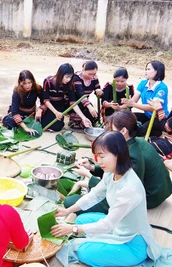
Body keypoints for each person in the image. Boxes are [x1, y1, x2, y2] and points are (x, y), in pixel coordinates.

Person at [51, 131, 172, 267]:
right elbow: (95, 194)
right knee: (80, 220)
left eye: (102, 156)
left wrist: (73, 230)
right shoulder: (111, 173)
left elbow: (107, 224)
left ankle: (131, 254)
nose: (99, 161)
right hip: (119, 226)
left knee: (84, 252)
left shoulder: (129, 188)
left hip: (133, 242)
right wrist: (67, 211)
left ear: (118, 154)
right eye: (97, 156)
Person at [64, 110, 172, 213]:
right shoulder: (136, 141)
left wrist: (89, 177)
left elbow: (119, 189)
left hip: (150, 197)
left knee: (70, 202)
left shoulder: (132, 155)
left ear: (123, 131)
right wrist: (92, 168)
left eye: (111, 129)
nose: (108, 132)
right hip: (160, 190)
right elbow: (116, 169)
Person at [122, 60, 169, 137]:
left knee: (140, 131)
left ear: (156, 71)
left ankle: (156, 134)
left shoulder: (162, 88)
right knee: (126, 119)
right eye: (146, 69)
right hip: (148, 116)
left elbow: (153, 108)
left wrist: (133, 104)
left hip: (159, 118)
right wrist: (124, 104)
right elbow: (134, 100)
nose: (146, 71)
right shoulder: (143, 83)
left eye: (148, 69)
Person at [41, 63, 92, 131]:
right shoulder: (48, 81)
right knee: (43, 124)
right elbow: (46, 100)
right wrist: (55, 112)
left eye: (70, 77)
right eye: (67, 77)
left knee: (57, 127)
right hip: (49, 105)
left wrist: (83, 118)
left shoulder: (69, 84)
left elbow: (73, 103)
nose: (69, 79)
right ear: (60, 74)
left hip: (60, 105)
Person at [69, 61, 101, 128]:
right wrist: (90, 107)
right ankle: (75, 120)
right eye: (89, 74)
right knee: (86, 115)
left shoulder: (94, 78)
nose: (92, 77)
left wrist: (99, 91)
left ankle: (82, 123)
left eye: (94, 74)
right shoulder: (76, 78)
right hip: (74, 102)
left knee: (94, 117)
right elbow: (80, 94)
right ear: (83, 70)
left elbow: (97, 87)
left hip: (85, 103)